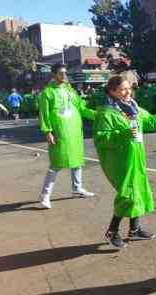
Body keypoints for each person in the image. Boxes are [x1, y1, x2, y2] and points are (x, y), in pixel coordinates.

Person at [93, 76, 156, 248]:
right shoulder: (106, 113)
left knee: (137, 191)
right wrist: (124, 134)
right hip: (120, 161)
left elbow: (150, 122)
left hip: (136, 157)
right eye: (123, 89)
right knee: (128, 195)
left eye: (129, 88)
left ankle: (134, 229)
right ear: (112, 91)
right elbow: (101, 139)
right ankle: (112, 231)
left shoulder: (133, 108)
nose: (128, 92)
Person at [37, 63, 96, 209]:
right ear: (54, 75)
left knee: (77, 160)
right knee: (56, 163)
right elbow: (43, 114)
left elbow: (81, 107)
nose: (64, 76)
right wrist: (48, 131)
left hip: (74, 131)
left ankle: (77, 188)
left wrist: (98, 115)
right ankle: (45, 195)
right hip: (59, 132)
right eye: (60, 73)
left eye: (65, 73)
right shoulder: (47, 93)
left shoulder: (70, 90)